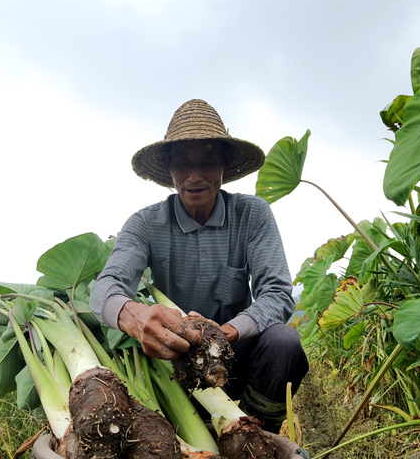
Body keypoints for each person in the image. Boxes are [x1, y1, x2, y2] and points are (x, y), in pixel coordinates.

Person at [89, 99, 308, 433]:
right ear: (167, 168)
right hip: (173, 360)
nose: (194, 176)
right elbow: (105, 288)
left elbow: (277, 294)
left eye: (207, 161)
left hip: (235, 357)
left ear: (225, 163)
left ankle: (253, 432)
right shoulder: (146, 224)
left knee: (284, 344)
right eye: (183, 164)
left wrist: (225, 334)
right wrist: (137, 318)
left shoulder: (251, 214)